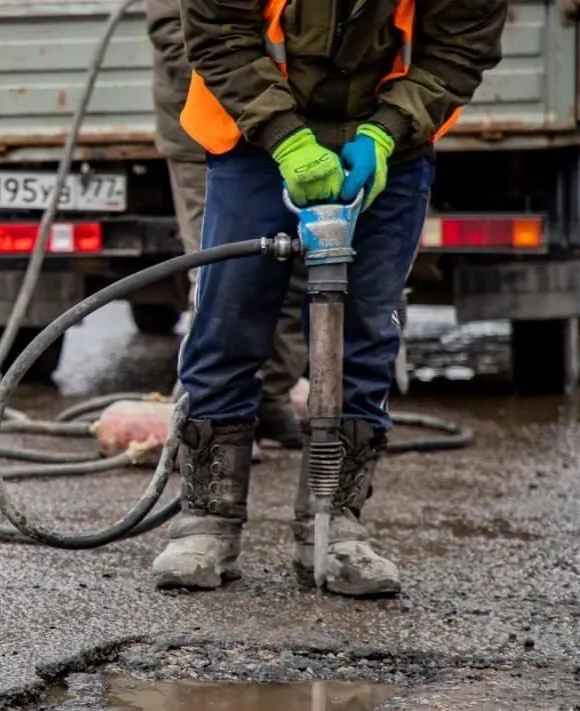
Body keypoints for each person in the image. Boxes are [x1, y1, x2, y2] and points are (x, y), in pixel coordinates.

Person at [151, 0, 508, 596]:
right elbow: (216, 31)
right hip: (253, 134)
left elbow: (462, 45)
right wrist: (286, 140)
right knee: (230, 317)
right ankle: (207, 522)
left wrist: (387, 133)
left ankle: (335, 527)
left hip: (386, 141)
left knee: (368, 330)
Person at [144, 0, 307, 455]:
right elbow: (183, 38)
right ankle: (211, 420)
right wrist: (249, 94)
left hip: (290, 129)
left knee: (292, 268)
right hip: (212, 136)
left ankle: (269, 395)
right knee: (223, 276)